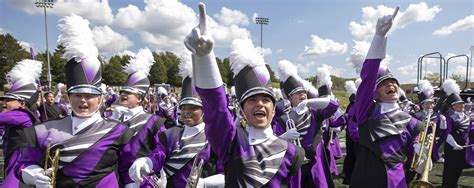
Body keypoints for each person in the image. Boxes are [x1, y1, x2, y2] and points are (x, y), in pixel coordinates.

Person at [185, 3, 305, 186]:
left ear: (273, 110)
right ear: (241, 110)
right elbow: (216, 109)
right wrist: (204, 58)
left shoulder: (293, 153)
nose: (260, 104)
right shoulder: (232, 142)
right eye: (252, 100)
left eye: (266, 100)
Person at [13, 14, 134, 187]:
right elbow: (22, 164)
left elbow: (128, 172)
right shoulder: (42, 131)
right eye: (77, 95)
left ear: (100, 99)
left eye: (90, 95)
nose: (83, 101)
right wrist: (33, 174)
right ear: (68, 97)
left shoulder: (120, 131)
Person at [350, 8, 426, 187]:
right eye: (383, 84)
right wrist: (379, 37)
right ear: (375, 92)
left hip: (396, 179)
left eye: (394, 83)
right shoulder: (366, 112)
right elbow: (368, 78)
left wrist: (423, 161)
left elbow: (414, 160)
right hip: (365, 177)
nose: (390, 85)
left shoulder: (414, 123)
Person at [128, 50, 224, 187]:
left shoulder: (214, 136)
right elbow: (158, 155)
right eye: (183, 108)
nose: (186, 112)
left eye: (192, 108)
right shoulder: (170, 134)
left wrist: (205, 183)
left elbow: (227, 172)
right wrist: (146, 162)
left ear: (204, 110)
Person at [111, 48, 167, 187]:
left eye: (129, 92)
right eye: (122, 91)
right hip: (113, 180)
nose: (123, 94)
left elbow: (162, 150)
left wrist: (148, 162)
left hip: (141, 181)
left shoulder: (154, 122)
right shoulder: (110, 118)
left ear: (140, 98)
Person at [0, 59, 42, 187]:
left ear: (22, 103)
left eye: (9, 100)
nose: (3, 103)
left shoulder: (22, 115)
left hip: (20, 163)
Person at [440, 79, 474, 188]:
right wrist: (454, 144)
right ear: (452, 106)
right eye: (458, 104)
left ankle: (454, 184)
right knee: (450, 168)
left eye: (461, 103)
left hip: (464, 146)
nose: (461, 105)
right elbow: (446, 133)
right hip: (452, 146)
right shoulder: (448, 117)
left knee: (458, 167)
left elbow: (471, 130)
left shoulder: (467, 116)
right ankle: (447, 185)